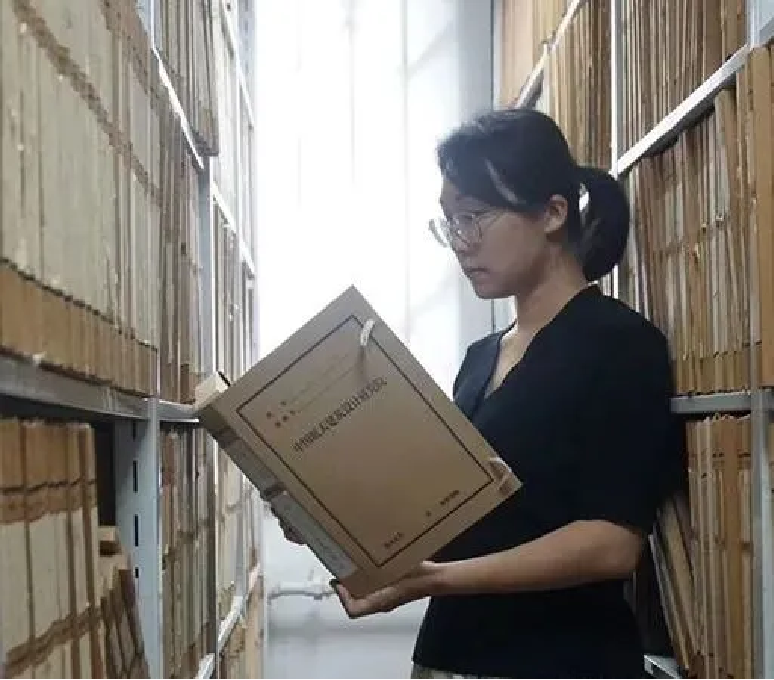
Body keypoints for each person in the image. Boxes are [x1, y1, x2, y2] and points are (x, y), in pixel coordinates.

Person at [275, 108, 684, 679]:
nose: (461, 244)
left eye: (474, 218)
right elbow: (452, 519)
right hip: (447, 657)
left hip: (560, 662)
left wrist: (438, 579)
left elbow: (611, 543)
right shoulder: (479, 358)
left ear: (552, 213)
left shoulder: (619, 344)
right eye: (449, 223)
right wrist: (335, 521)